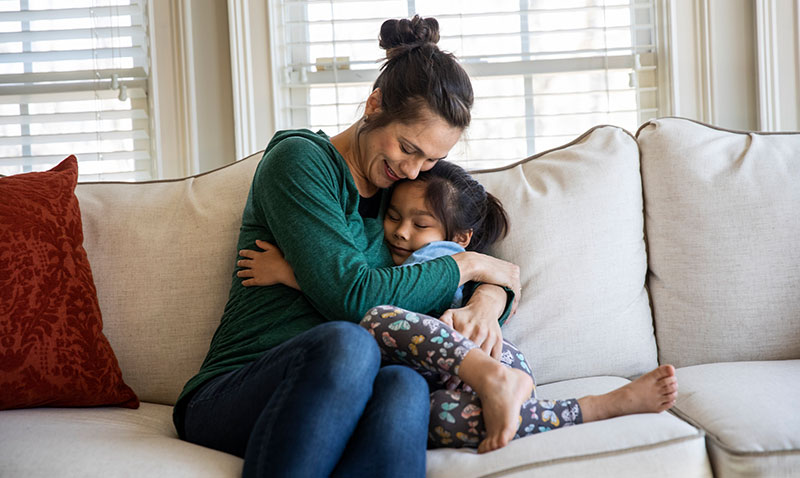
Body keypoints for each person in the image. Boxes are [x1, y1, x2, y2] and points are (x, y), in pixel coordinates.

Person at [173, 15, 522, 478]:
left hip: (356, 386)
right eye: (407, 148)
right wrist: (472, 266)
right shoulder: (300, 162)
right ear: (374, 104)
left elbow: (457, 261)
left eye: (432, 159)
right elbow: (352, 296)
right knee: (349, 342)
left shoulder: (404, 196)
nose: (415, 171)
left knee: (404, 384)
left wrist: (489, 294)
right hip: (238, 386)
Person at [240, 160, 680, 454]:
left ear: (460, 239)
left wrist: (291, 275)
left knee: (378, 318)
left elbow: (372, 300)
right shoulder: (423, 253)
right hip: (451, 379)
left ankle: (501, 383)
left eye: (420, 224)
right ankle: (595, 407)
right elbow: (346, 283)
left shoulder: (439, 258)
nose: (400, 233)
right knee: (444, 423)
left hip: (475, 357)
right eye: (393, 217)